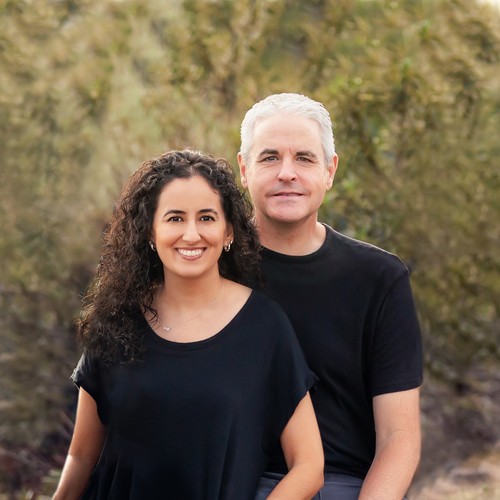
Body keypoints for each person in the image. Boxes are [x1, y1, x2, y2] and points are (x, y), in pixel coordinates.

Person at [53, 149, 324, 500]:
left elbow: (309, 466)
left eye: (207, 218)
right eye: (175, 218)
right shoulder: (117, 319)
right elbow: (81, 456)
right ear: (150, 232)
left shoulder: (264, 327)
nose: (192, 234)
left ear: (228, 231)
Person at [238, 94, 423, 500]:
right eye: (269, 158)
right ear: (244, 170)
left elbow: (399, 436)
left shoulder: (379, 278)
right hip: (231, 485)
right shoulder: (210, 268)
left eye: (304, 158)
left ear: (329, 171)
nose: (287, 173)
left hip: (343, 486)